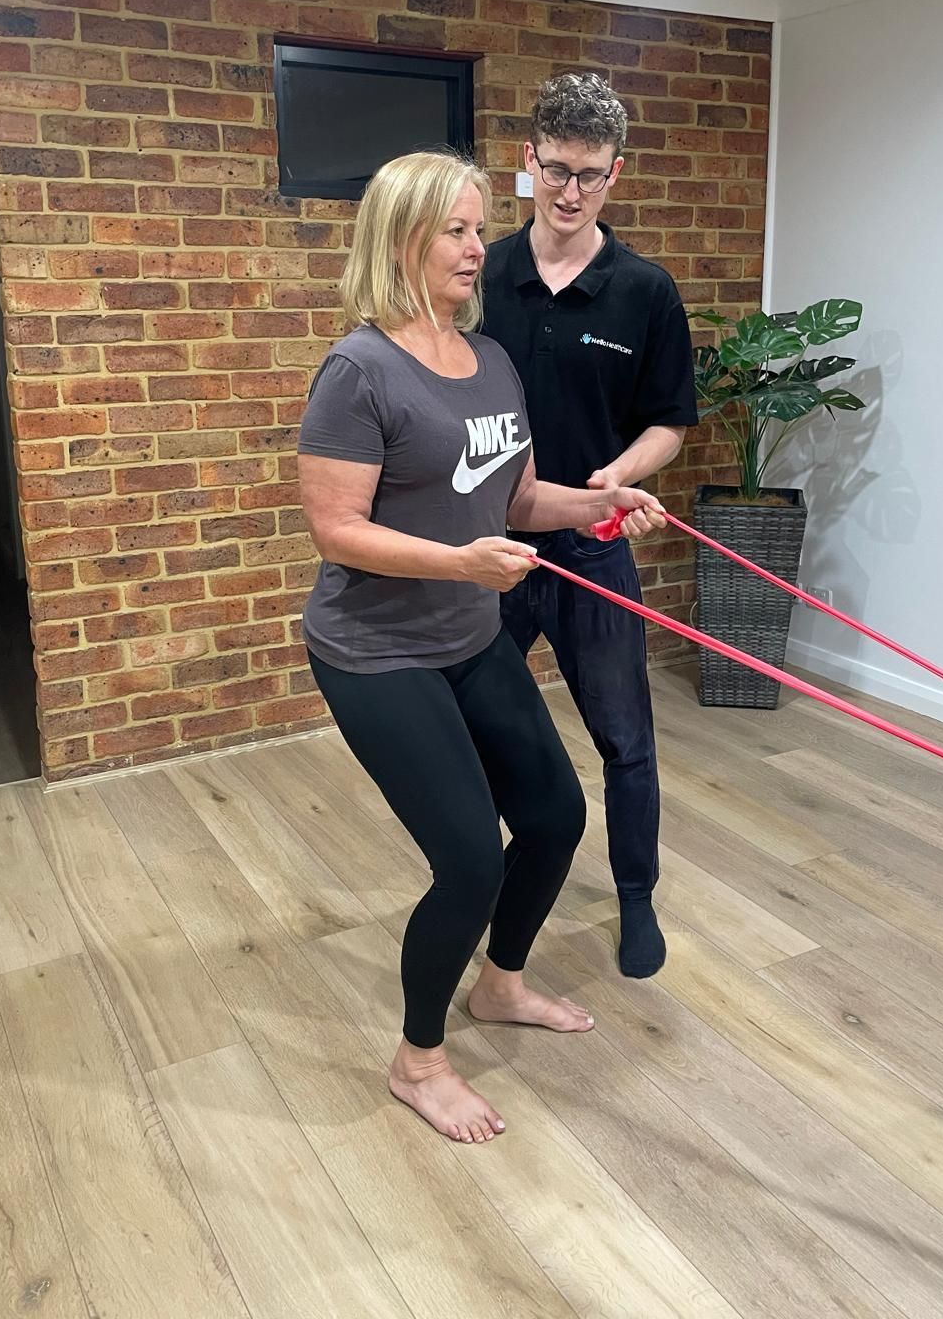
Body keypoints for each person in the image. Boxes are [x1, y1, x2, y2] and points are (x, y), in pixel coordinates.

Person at [297, 150, 665, 1144]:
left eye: (475, 229)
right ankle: (418, 1060)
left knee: (553, 814)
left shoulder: (489, 359)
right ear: (403, 240)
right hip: (376, 648)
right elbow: (337, 529)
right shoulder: (360, 370)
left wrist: (600, 502)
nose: (477, 248)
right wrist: (463, 565)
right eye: (457, 231)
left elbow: (516, 497)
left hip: (465, 635)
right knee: (467, 861)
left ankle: (499, 984)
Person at [482, 73, 699, 978]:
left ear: (619, 173)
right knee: (478, 719)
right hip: (489, 545)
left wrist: (624, 472)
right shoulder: (482, 272)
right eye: (557, 170)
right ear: (528, 161)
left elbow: (671, 422)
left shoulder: (644, 291)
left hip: (592, 542)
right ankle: (499, 872)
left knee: (625, 736)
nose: (571, 194)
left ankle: (636, 898)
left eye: (593, 175)